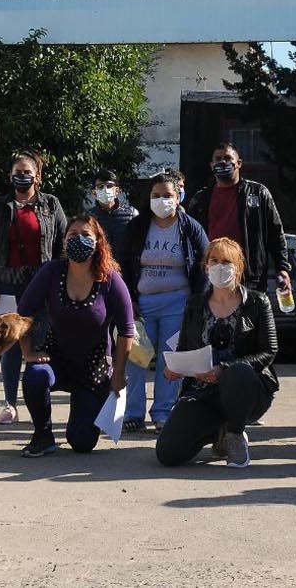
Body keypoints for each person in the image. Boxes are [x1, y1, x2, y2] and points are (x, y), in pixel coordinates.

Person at [156, 238, 279, 468]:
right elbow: (184, 348)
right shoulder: (195, 305)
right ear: (206, 266)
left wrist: (224, 369)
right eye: (214, 260)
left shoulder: (257, 302)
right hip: (203, 391)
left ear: (238, 267)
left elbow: (269, 350)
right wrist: (175, 368)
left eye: (226, 261)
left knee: (238, 373)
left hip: (247, 390)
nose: (219, 266)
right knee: (168, 453)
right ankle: (216, 432)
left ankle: (234, 433)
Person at [16, 217, 133, 456]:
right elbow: (23, 313)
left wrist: (119, 374)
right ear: (64, 241)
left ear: (98, 242)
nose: (78, 239)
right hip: (55, 358)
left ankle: (82, 413)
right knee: (35, 378)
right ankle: (43, 435)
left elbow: (127, 329)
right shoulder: (51, 271)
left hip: (94, 368)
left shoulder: (110, 279)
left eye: (86, 234)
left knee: (82, 443)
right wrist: (27, 352)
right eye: (73, 234)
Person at [0, 151, 69, 424]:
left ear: (37, 176)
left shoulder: (51, 205)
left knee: (39, 341)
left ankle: (38, 402)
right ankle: (10, 404)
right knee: (11, 345)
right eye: (17, 171)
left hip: (42, 281)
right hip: (8, 284)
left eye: (27, 171)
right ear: (11, 175)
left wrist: (59, 278)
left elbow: (62, 243)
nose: (22, 176)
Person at [121, 171, 210, 431]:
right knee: (136, 359)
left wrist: (195, 302)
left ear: (178, 196)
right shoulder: (137, 228)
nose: (162, 200)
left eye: (168, 195)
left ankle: (162, 413)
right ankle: (133, 414)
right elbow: (123, 265)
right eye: (156, 195)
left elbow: (205, 262)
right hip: (142, 304)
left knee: (169, 360)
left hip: (178, 304)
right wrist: (129, 300)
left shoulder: (191, 227)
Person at [186, 142, 290, 294]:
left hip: (248, 277)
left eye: (228, 158)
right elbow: (189, 239)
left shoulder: (258, 193)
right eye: (218, 158)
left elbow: (275, 233)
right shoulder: (200, 199)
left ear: (238, 163)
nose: (222, 162)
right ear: (211, 165)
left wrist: (283, 268)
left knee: (249, 318)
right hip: (210, 276)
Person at [90, 169, 138, 265]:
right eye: (100, 187)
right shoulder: (89, 217)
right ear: (94, 193)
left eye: (109, 186)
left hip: (126, 273)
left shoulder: (132, 214)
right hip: (98, 270)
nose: (105, 189)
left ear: (117, 191)